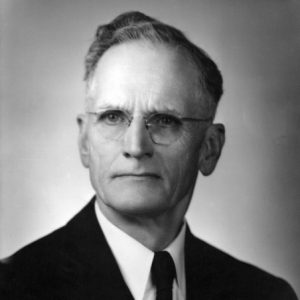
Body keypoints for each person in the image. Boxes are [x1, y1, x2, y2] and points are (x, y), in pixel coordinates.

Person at [0, 11, 297, 300]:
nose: (136, 146)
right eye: (113, 117)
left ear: (209, 149)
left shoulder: (265, 294)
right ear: (84, 141)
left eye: (165, 121)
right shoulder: (12, 288)